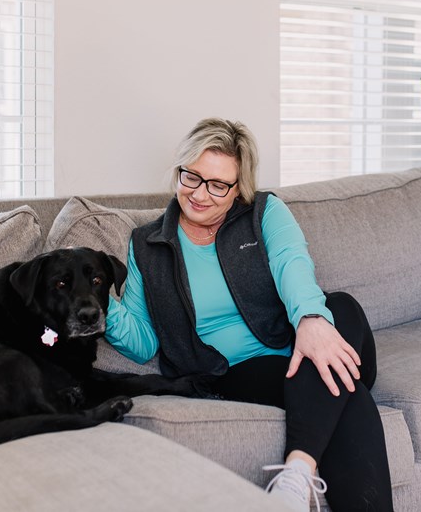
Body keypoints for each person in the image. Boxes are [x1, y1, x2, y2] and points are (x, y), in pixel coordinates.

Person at [105, 118, 393, 512]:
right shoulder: (148, 244)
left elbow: (293, 263)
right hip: (236, 371)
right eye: (192, 177)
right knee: (346, 389)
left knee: (339, 308)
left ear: (238, 189)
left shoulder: (263, 213)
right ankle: (298, 475)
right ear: (179, 171)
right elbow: (143, 342)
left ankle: (293, 481)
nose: (200, 194)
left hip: (293, 343)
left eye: (218, 184)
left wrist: (310, 321)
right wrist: (96, 306)